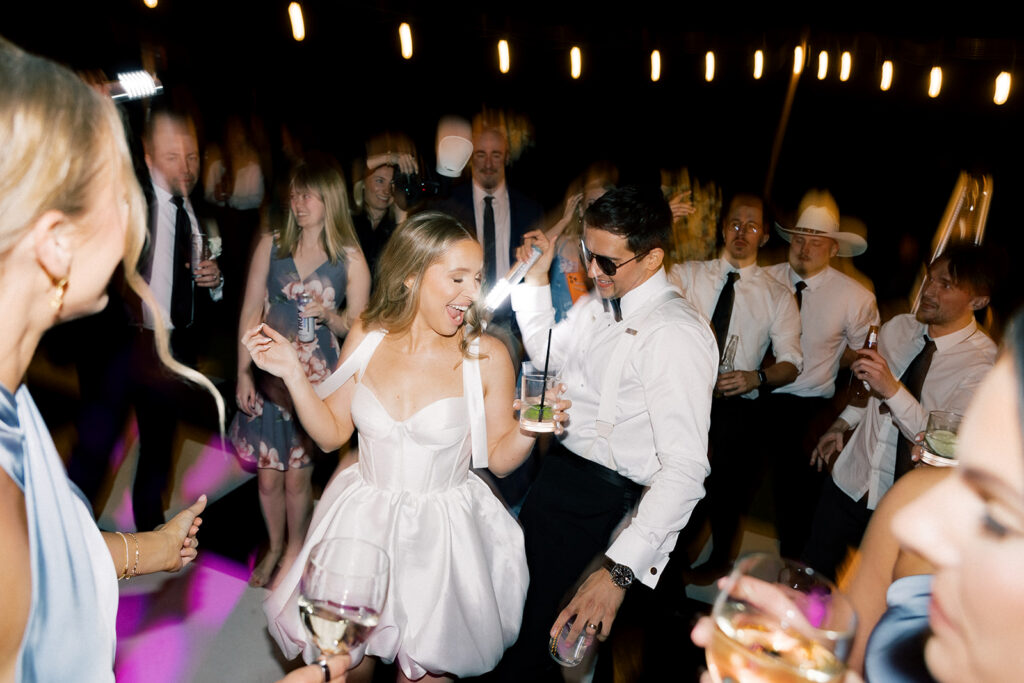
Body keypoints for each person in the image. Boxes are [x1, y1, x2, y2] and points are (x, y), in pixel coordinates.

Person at [246, 211, 565, 682]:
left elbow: (498, 459)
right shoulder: (367, 337)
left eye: (477, 278)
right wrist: (294, 373)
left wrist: (529, 428)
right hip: (362, 523)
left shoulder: (486, 356)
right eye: (456, 278)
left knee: (427, 672)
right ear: (412, 276)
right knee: (344, 666)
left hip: (443, 538)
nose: (471, 293)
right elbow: (333, 431)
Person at [0, 36, 207, 681]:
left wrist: (146, 550)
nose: (133, 213)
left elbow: (48, 556)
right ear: (56, 244)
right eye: (117, 191)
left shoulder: (15, 402)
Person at [495, 185, 719, 682]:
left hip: (602, 507)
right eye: (587, 254)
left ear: (653, 256)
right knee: (517, 636)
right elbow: (549, 352)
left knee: (541, 651)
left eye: (607, 262)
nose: (592, 271)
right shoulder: (601, 302)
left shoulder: (675, 335)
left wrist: (619, 572)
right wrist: (534, 281)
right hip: (556, 484)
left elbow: (684, 471)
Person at [803, 243, 997, 580]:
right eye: (929, 279)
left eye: (945, 285)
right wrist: (841, 424)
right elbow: (868, 394)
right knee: (808, 580)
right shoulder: (898, 329)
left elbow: (939, 444)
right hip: (851, 480)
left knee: (874, 604)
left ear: (977, 301)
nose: (929, 291)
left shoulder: (982, 365)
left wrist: (891, 387)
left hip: (905, 507)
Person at [231, 157, 371, 588]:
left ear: (329, 199)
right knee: (269, 480)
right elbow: (252, 307)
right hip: (269, 376)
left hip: (314, 383)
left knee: (297, 482)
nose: (297, 202)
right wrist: (242, 373)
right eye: (294, 194)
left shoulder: (349, 257)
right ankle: (273, 547)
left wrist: (329, 314)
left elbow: (360, 327)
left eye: (307, 194)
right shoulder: (271, 244)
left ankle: (294, 551)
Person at [669, 193, 802, 574]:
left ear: (764, 238)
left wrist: (755, 377)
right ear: (723, 228)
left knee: (724, 494)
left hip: (735, 407)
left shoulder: (777, 296)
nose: (742, 232)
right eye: (735, 224)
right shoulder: (689, 274)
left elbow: (792, 362)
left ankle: (718, 561)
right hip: (682, 397)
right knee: (676, 487)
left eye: (753, 226)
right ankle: (668, 572)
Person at [763, 190, 879, 558]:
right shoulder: (760, 279)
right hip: (751, 397)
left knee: (796, 503)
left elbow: (868, 361)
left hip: (807, 407)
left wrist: (845, 418)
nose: (805, 247)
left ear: (833, 248)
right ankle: (713, 560)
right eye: (799, 237)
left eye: (816, 240)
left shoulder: (855, 297)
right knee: (722, 483)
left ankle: (793, 578)